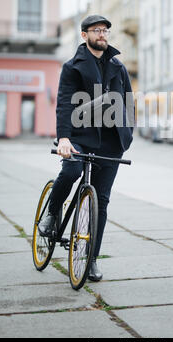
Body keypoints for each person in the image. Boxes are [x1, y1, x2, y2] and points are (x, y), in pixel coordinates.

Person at [38, 15, 134, 281]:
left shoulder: (119, 67)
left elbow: (128, 103)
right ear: (84, 35)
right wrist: (64, 139)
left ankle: (91, 260)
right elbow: (65, 104)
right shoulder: (73, 67)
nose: (103, 34)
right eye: (97, 30)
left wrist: (127, 134)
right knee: (70, 172)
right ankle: (51, 214)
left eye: (105, 29)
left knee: (101, 201)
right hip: (79, 137)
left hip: (112, 143)